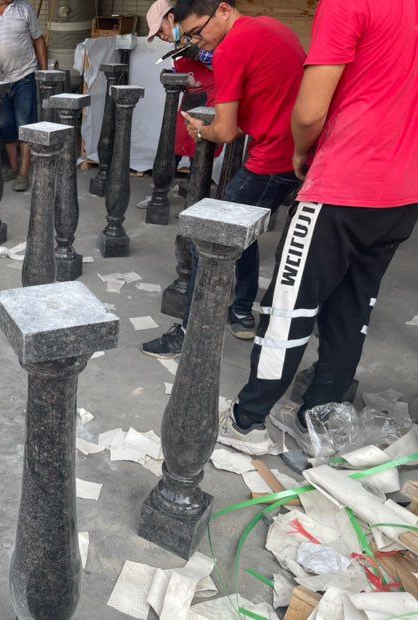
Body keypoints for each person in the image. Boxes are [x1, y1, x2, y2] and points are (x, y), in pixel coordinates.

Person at [218, 0, 418, 456]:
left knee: (288, 306)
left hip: (343, 181)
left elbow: (309, 112)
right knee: (353, 308)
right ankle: (319, 422)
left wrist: (300, 151)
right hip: (402, 190)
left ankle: (246, 421)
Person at [141, 0, 304, 360]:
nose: (198, 41)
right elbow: (269, 99)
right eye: (191, 36)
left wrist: (201, 131)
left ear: (224, 10)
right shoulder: (274, 28)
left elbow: (226, 132)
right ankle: (241, 311)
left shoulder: (230, 49)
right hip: (298, 153)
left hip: (273, 159)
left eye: (198, 32)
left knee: (209, 237)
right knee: (242, 231)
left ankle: (190, 334)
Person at [0, 0, 48, 192]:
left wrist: (44, 71)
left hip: (25, 75)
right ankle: (14, 168)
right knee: (6, 125)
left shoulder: (25, 9)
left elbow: (38, 39)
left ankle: (23, 174)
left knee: (25, 125)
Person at [144, 0, 216, 169]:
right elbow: (185, 71)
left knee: (200, 145)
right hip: (190, 100)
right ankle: (165, 180)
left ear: (171, 17)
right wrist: (173, 76)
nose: (162, 36)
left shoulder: (201, 33)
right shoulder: (178, 44)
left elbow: (224, 62)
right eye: (157, 35)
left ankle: (197, 180)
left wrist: (199, 54)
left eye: (161, 30)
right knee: (175, 140)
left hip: (210, 100)